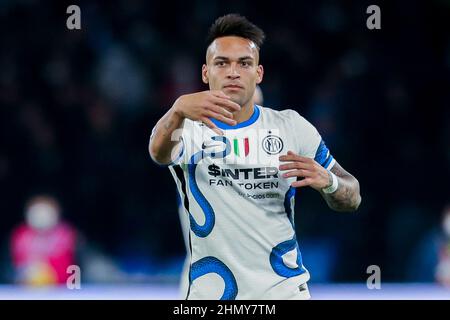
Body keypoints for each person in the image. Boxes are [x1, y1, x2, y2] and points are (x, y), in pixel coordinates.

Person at [149, 14, 361, 300]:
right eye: (222, 63)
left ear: (259, 74)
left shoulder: (291, 127)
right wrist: (176, 109)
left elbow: (353, 196)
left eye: (244, 63)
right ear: (205, 72)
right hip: (211, 295)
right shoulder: (187, 129)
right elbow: (158, 152)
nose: (233, 72)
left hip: (283, 293)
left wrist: (330, 182)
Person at [10, 194, 77, 286]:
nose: (41, 218)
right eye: (37, 213)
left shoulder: (65, 234)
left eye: (46, 214)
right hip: (27, 287)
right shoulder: (21, 235)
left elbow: (68, 265)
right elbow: (18, 263)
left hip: (60, 287)